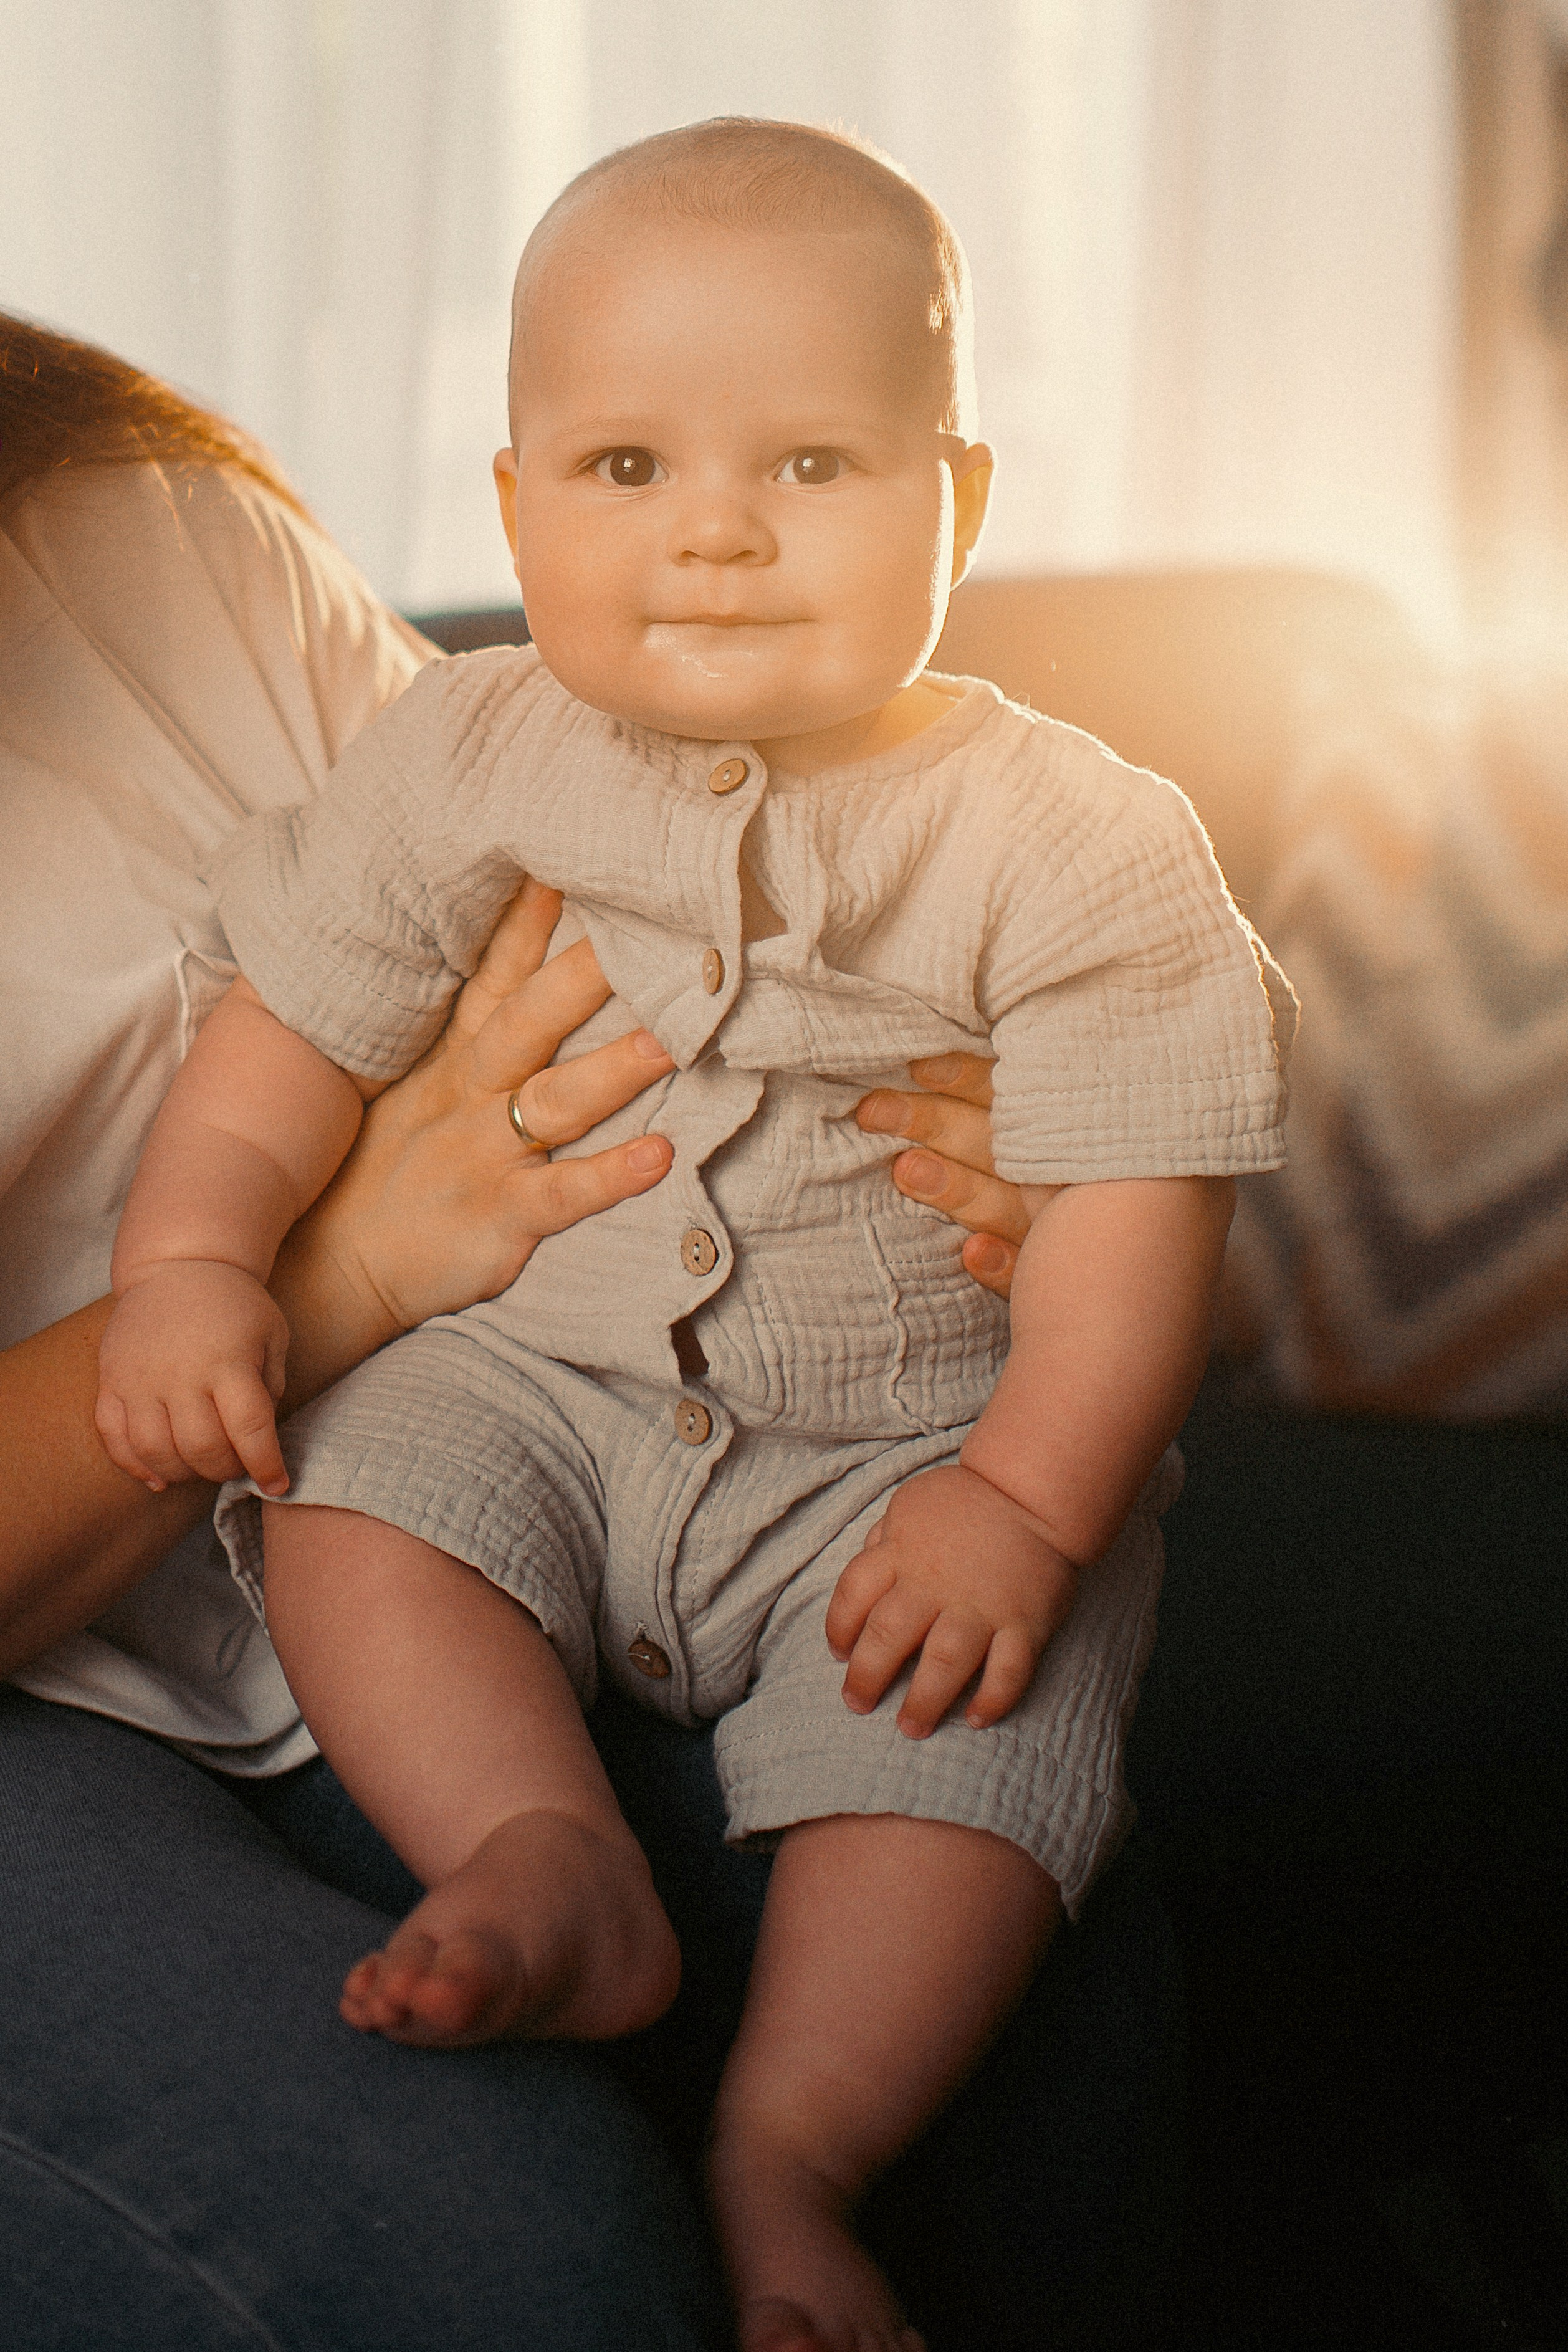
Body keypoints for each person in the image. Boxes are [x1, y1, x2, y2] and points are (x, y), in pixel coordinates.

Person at [95, 122, 1288, 2352]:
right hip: (528, 1381)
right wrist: (192, 1261)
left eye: (815, 465)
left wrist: (1023, 1501)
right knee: (360, 1504)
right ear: (514, 505)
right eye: (628, 466)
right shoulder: (461, 753)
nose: (719, 533)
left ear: (965, 501)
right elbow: (286, 1037)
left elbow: (1135, 1213)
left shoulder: (1085, 843)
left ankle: (794, 2153)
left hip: (901, 1456)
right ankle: (532, 1847)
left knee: (962, 1763)